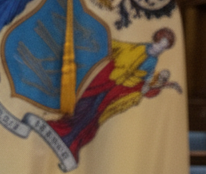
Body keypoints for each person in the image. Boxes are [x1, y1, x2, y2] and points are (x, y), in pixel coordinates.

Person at [48, 28, 177, 161]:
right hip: (105, 81)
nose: (161, 48)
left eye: (165, 46)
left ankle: (71, 142)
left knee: (94, 115)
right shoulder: (136, 48)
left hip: (117, 92)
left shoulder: (153, 61)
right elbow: (113, 45)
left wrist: (153, 84)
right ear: (156, 39)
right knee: (83, 106)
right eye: (162, 43)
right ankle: (62, 131)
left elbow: (147, 78)